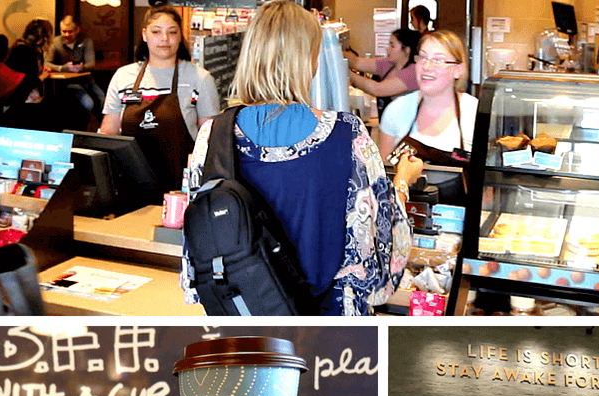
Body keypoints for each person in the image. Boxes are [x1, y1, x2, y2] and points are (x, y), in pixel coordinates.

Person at [181, 0, 424, 316]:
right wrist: (402, 183)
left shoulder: (214, 133)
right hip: (330, 319)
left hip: (248, 310)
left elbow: (197, 239)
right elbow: (375, 246)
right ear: (307, 61)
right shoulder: (346, 133)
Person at [100, 4, 220, 200]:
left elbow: (209, 140)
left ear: (181, 35)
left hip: (180, 192)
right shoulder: (123, 77)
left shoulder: (200, 79)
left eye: (172, 32)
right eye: (156, 32)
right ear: (145, 35)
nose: (165, 39)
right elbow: (108, 134)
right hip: (130, 190)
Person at [378, 30, 478, 160]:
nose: (426, 66)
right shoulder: (396, 110)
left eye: (438, 60)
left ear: (458, 70)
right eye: (423, 57)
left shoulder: (475, 113)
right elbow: (382, 174)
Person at [344, 28, 421, 117]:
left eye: (392, 46)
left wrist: (347, 73)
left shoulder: (413, 72)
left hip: (406, 126)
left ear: (407, 50)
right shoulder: (390, 64)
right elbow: (357, 63)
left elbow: (377, 89)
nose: (387, 49)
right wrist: (337, 51)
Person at [44, 15, 105, 118]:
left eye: (70, 31)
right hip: (68, 82)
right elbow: (46, 63)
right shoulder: (56, 42)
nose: (67, 34)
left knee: (102, 98)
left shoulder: (86, 41)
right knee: (88, 103)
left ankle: (102, 128)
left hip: (87, 79)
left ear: (77, 30)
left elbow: (91, 64)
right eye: (64, 31)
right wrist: (62, 68)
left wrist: (82, 67)